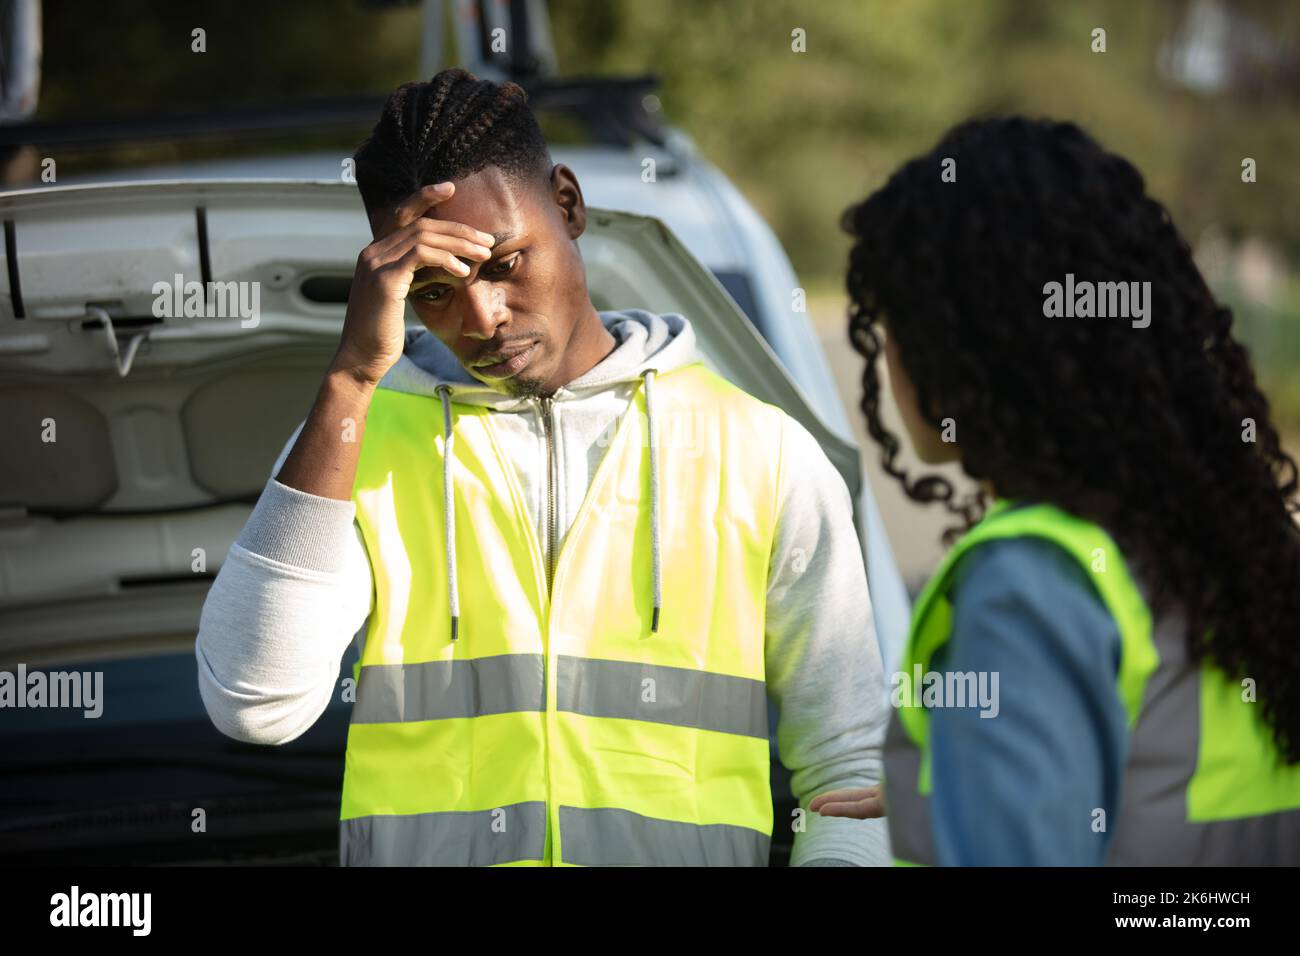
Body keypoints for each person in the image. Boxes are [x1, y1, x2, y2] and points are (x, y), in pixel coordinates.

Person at [195, 68, 891, 866]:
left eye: (503, 264)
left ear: (567, 203)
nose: (480, 318)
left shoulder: (763, 451)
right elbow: (255, 703)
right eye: (431, 290)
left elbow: (851, 773)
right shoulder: (358, 439)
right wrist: (352, 377)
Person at [811, 116, 1300, 864]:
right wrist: (974, 782)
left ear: (971, 344)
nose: (894, 358)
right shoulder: (1235, 555)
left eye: (899, 322)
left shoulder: (1033, 581)